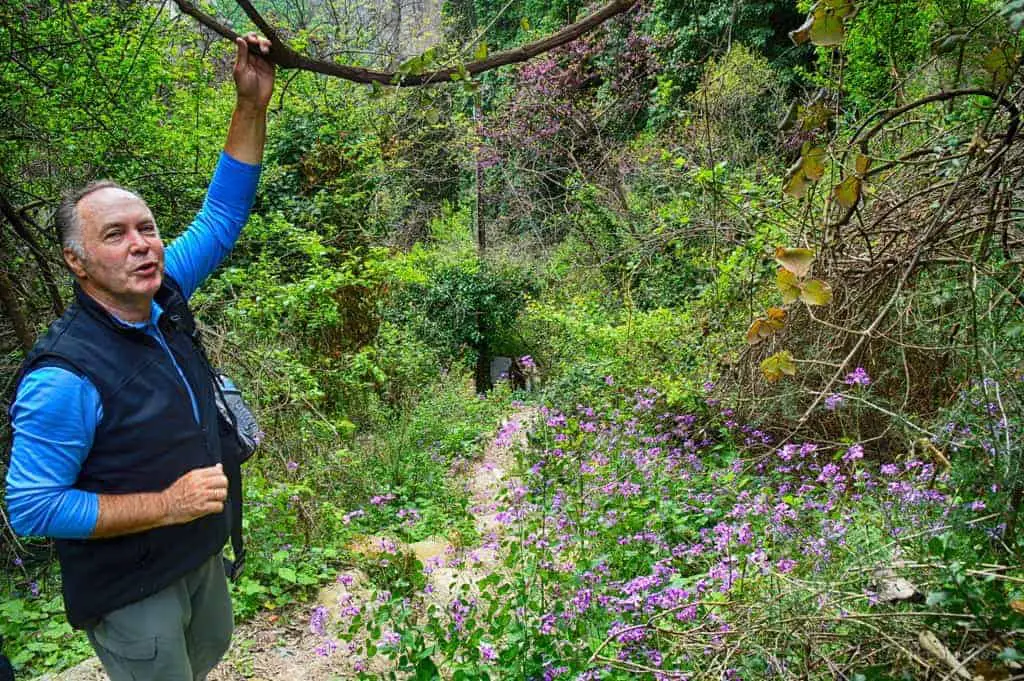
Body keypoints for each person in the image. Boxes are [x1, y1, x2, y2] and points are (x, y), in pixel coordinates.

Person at [4, 33, 275, 681]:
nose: (141, 244)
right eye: (115, 234)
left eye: (147, 227)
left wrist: (252, 103)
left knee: (207, 652)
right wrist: (168, 503)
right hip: (131, 586)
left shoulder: (165, 292)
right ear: (76, 261)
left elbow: (221, 215)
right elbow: (33, 505)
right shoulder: (64, 374)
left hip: (196, 552)